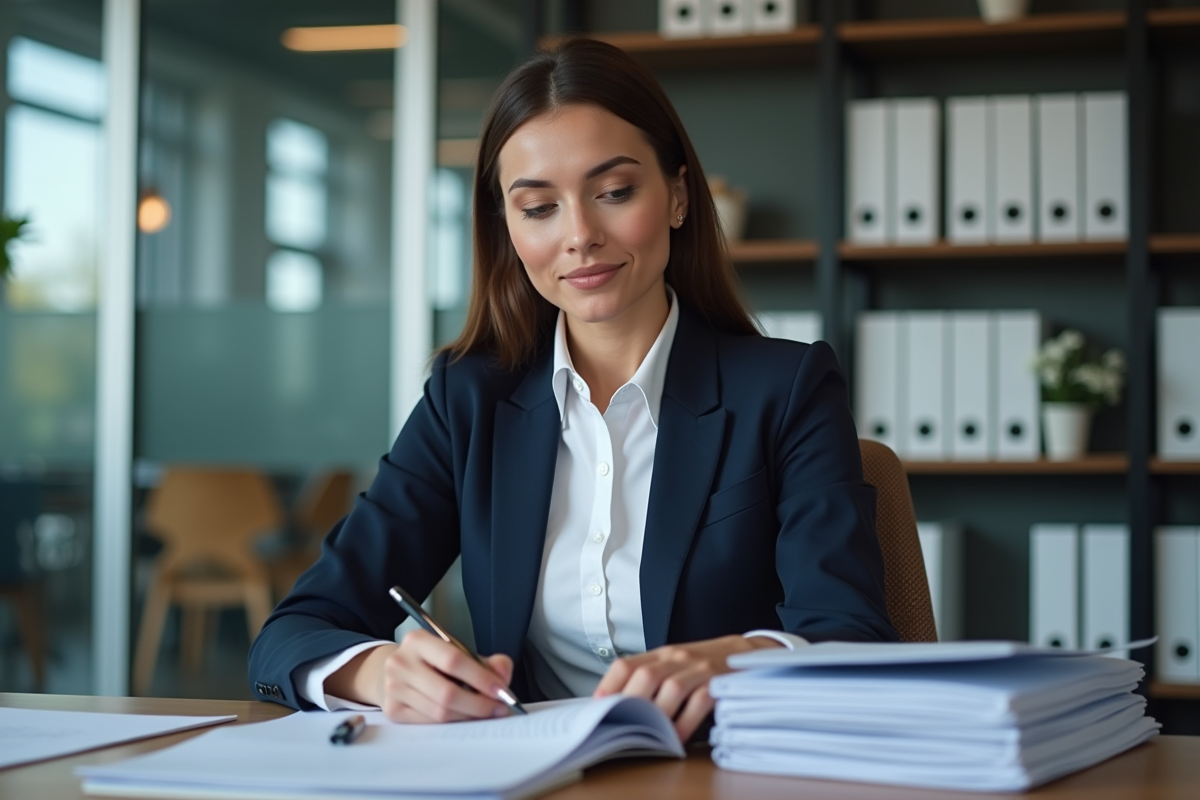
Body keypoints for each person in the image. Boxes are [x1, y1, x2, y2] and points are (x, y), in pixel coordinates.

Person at [248, 37, 898, 742]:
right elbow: (293, 633)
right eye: (538, 208)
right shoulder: (467, 400)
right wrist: (380, 672)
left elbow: (852, 640)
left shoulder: (788, 389)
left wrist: (739, 660)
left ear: (679, 195)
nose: (580, 235)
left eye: (615, 193)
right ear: (507, 229)